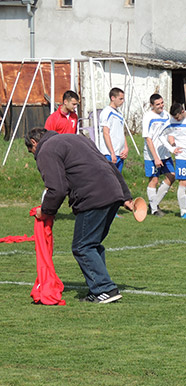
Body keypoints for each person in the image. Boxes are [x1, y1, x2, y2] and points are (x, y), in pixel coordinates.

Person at [25, 127, 134, 304]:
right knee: (93, 244)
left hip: (92, 196)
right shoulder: (77, 139)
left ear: (34, 143)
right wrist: (126, 197)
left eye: (32, 152)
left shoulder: (46, 149)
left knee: (83, 246)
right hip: (113, 192)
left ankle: (105, 289)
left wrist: (45, 211)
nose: (35, 156)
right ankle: (98, 289)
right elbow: (109, 165)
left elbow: (57, 188)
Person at [142, 93, 175, 216]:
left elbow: (170, 131)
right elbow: (148, 139)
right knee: (154, 180)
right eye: (158, 104)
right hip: (152, 154)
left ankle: (153, 203)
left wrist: (172, 142)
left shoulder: (166, 115)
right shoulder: (148, 117)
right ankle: (155, 209)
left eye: (162, 103)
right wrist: (155, 157)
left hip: (165, 153)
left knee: (172, 176)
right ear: (152, 105)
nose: (161, 106)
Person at [98, 87, 128, 172]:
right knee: (109, 180)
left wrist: (125, 148)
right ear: (112, 98)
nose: (122, 101)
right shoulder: (107, 112)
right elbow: (106, 133)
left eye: (123, 99)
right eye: (120, 99)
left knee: (118, 180)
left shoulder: (119, 114)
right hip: (109, 154)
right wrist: (112, 153)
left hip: (120, 153)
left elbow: (122, 133)